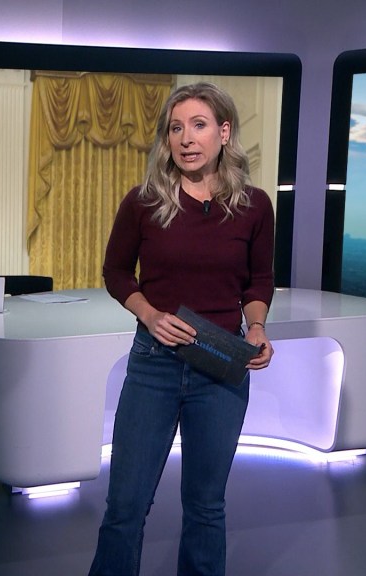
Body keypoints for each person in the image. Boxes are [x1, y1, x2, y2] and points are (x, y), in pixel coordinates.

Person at [89, 82, 275, 576]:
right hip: (155, 364)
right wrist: (149, 314)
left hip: (221, 363)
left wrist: (256, 327)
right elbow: (116, 272)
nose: (186, 139)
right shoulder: (143, 202)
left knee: (206, 506)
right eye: (176, 128)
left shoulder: (255, 206)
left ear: (224, 133)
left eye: (198, 125)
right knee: (126, 505)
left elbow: (259, 280)